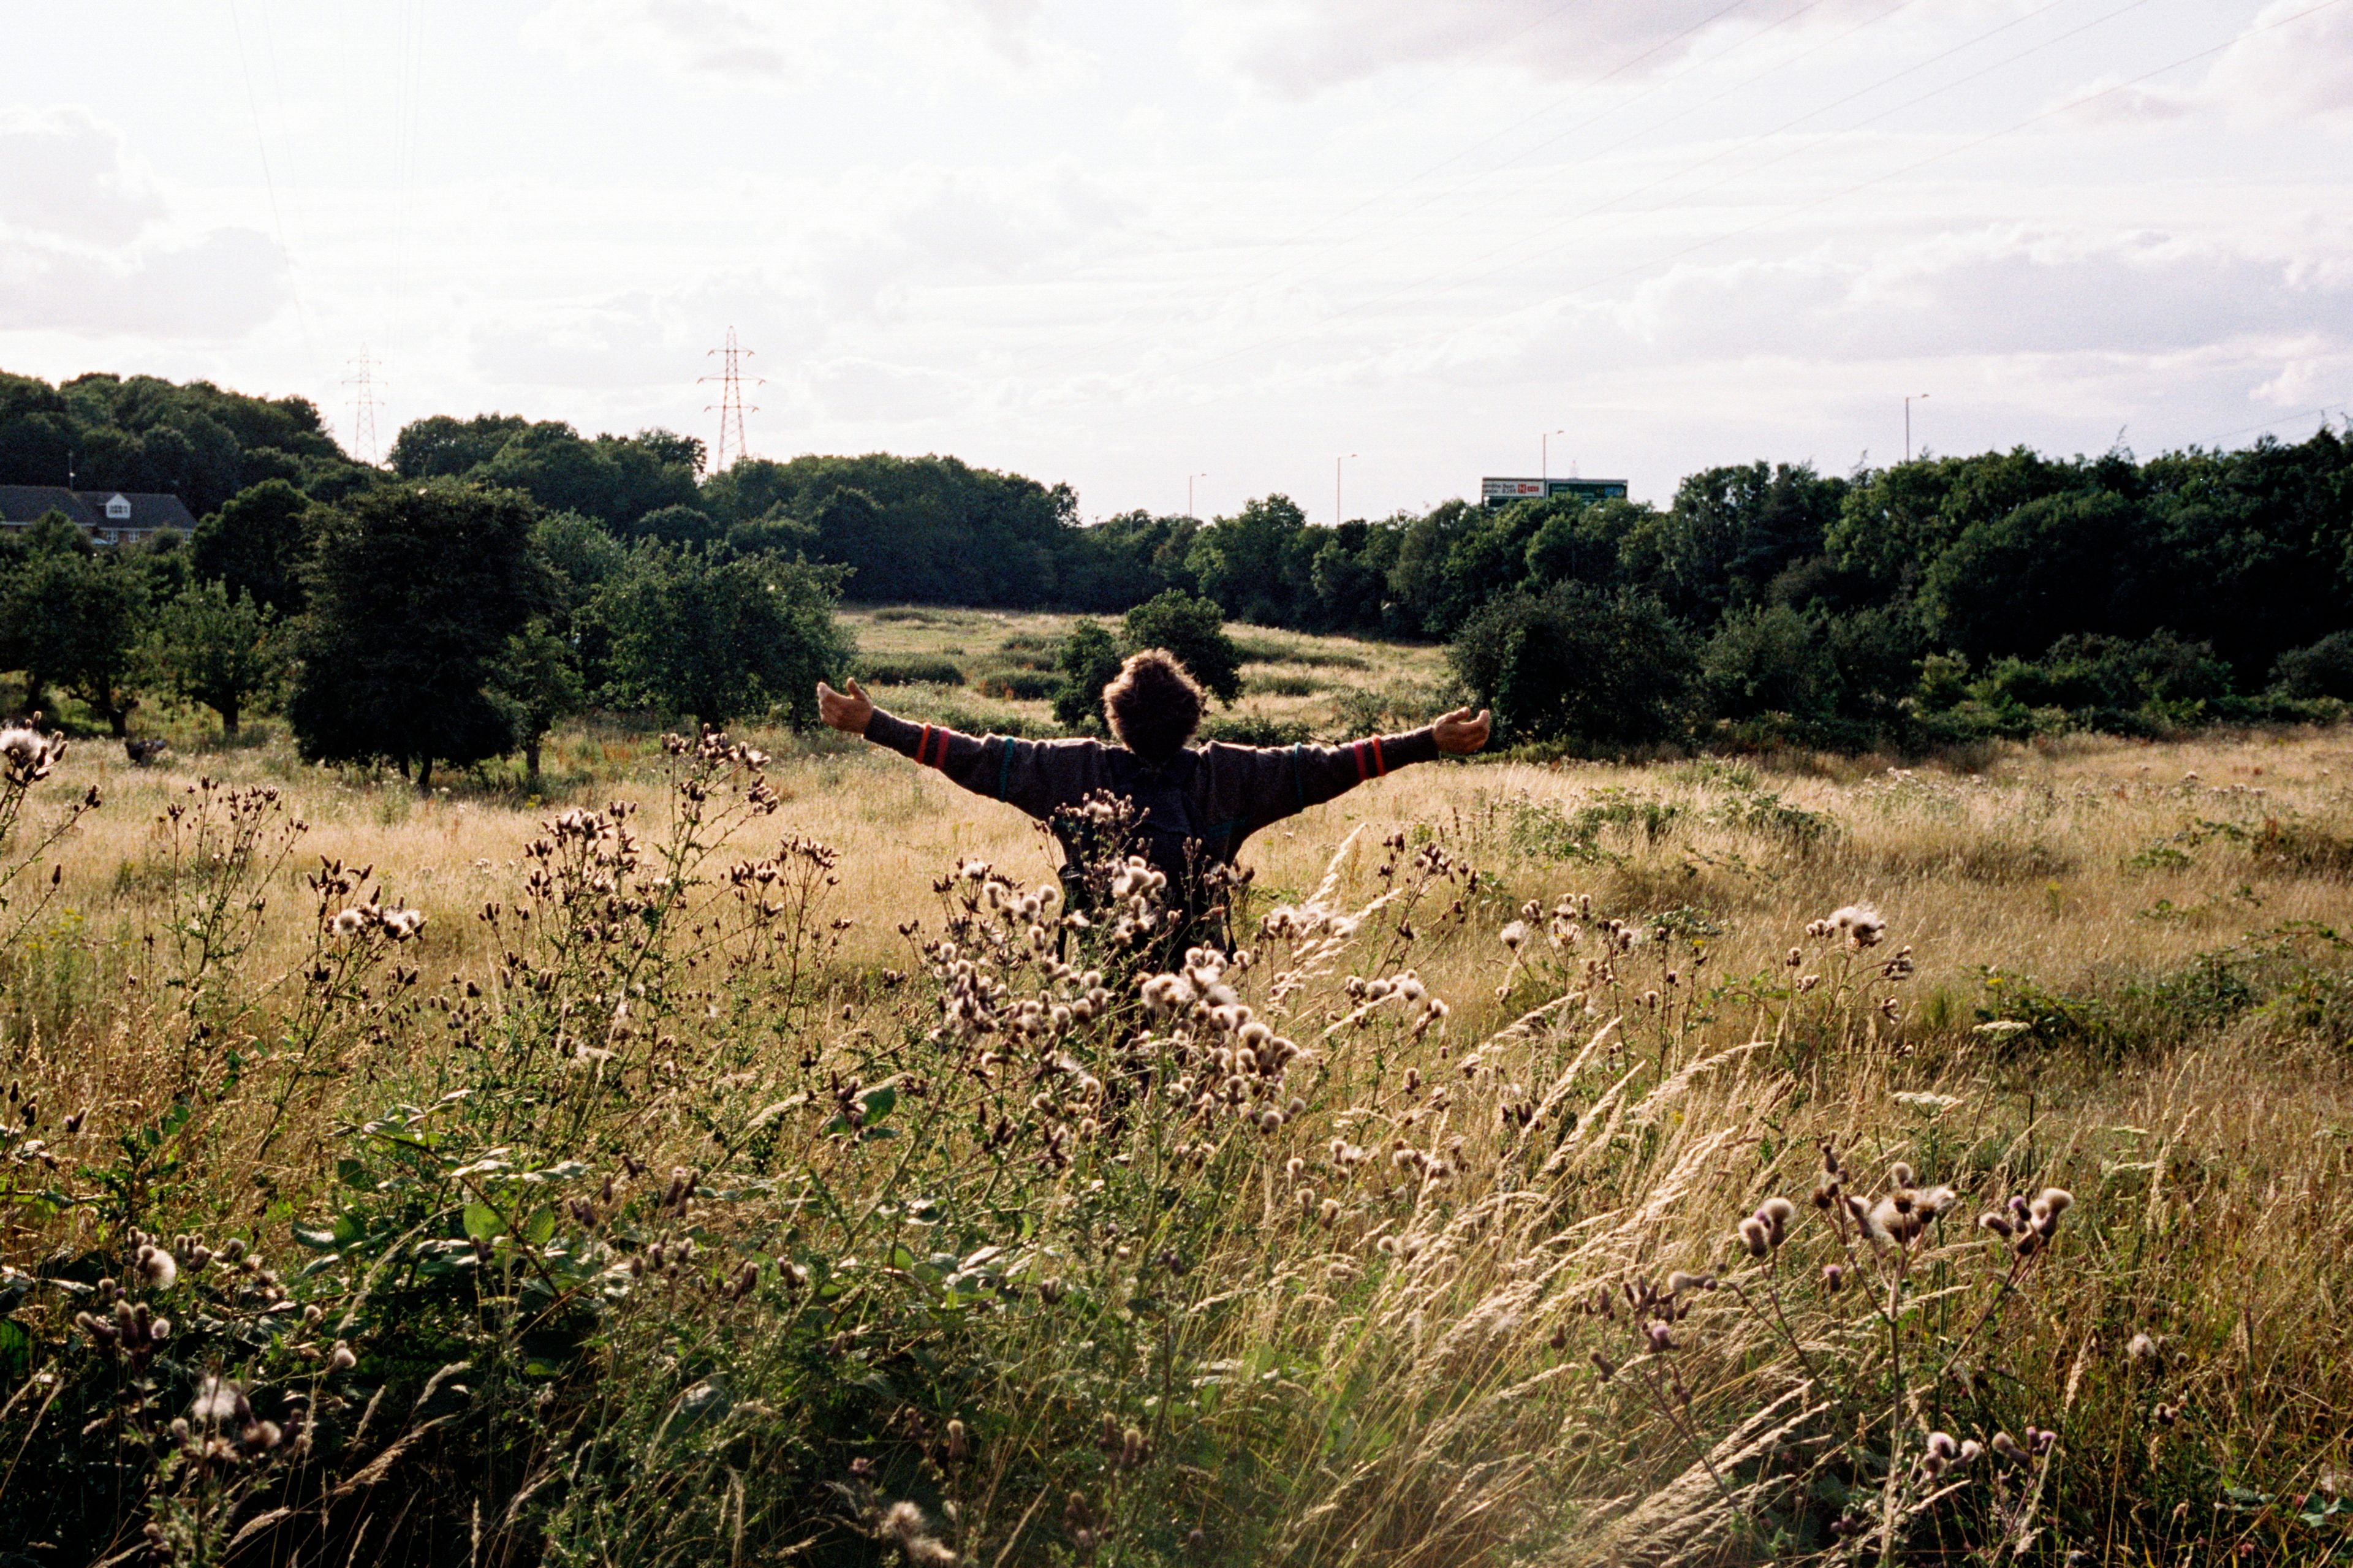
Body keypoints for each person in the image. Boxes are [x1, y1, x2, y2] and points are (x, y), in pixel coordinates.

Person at [816, 648, 1489, 941]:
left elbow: (969, 756)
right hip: (1198, 984)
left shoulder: (1070, 772)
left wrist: (876, 724)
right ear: (1194, 716)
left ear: (1116, 718)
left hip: (1097, 988)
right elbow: (1335, 765)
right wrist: (1428, 738)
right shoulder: (1233, 776)